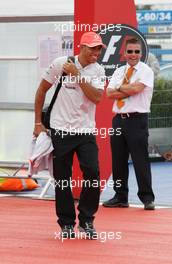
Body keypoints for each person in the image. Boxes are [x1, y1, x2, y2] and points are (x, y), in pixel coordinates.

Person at [33, 31, 106, 239]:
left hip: (85, 131)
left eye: (99, 48)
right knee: (62, 179)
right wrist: (38, 123)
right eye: (92, 48)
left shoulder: (99, 70)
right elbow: (41, 90)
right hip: (60, 130)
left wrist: (77, 75)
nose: (96, 52)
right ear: (81, 48)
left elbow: (97, 98)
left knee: (92, 173)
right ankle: (66, 223)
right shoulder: (60, 63)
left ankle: (86, 220)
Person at [103, 37, 155, 210]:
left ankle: (147, 198)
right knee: (118, 161)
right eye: (130, 51)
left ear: (141, 53)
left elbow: (136, 90)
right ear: (124, 53)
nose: (133, 55)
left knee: (141, 160)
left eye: (136, 51)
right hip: (118, 120)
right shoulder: (118, 71)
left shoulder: (146, 71)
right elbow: (109, 94)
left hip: (137, 120)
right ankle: (120, 196)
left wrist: (122, 88)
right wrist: (127, 88)